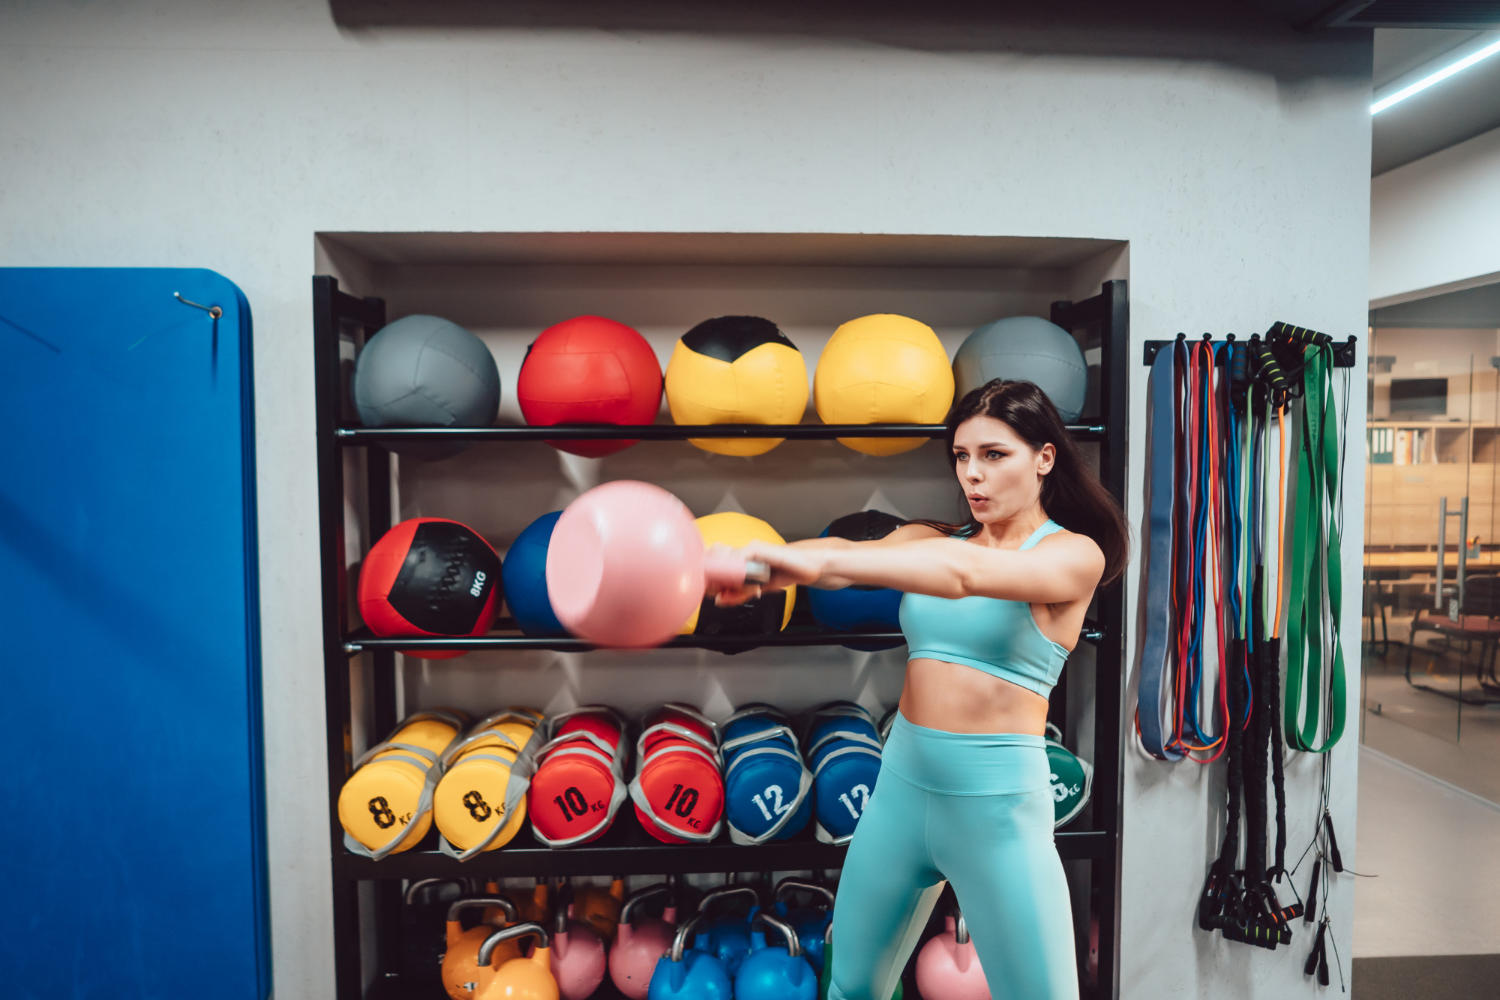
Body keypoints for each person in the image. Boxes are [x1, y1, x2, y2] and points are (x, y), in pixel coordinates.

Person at [714, 378, 1128, 1000]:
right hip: (899, 793)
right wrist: (765, 562)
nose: (972, 476)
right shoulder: (936, 538)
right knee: (850, 986)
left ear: (1044, 458)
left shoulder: (1072, 557)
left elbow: (964, 577)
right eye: (961, 457)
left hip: (996, 811)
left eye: (994, 455)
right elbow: (845, 552)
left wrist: (813, 565)